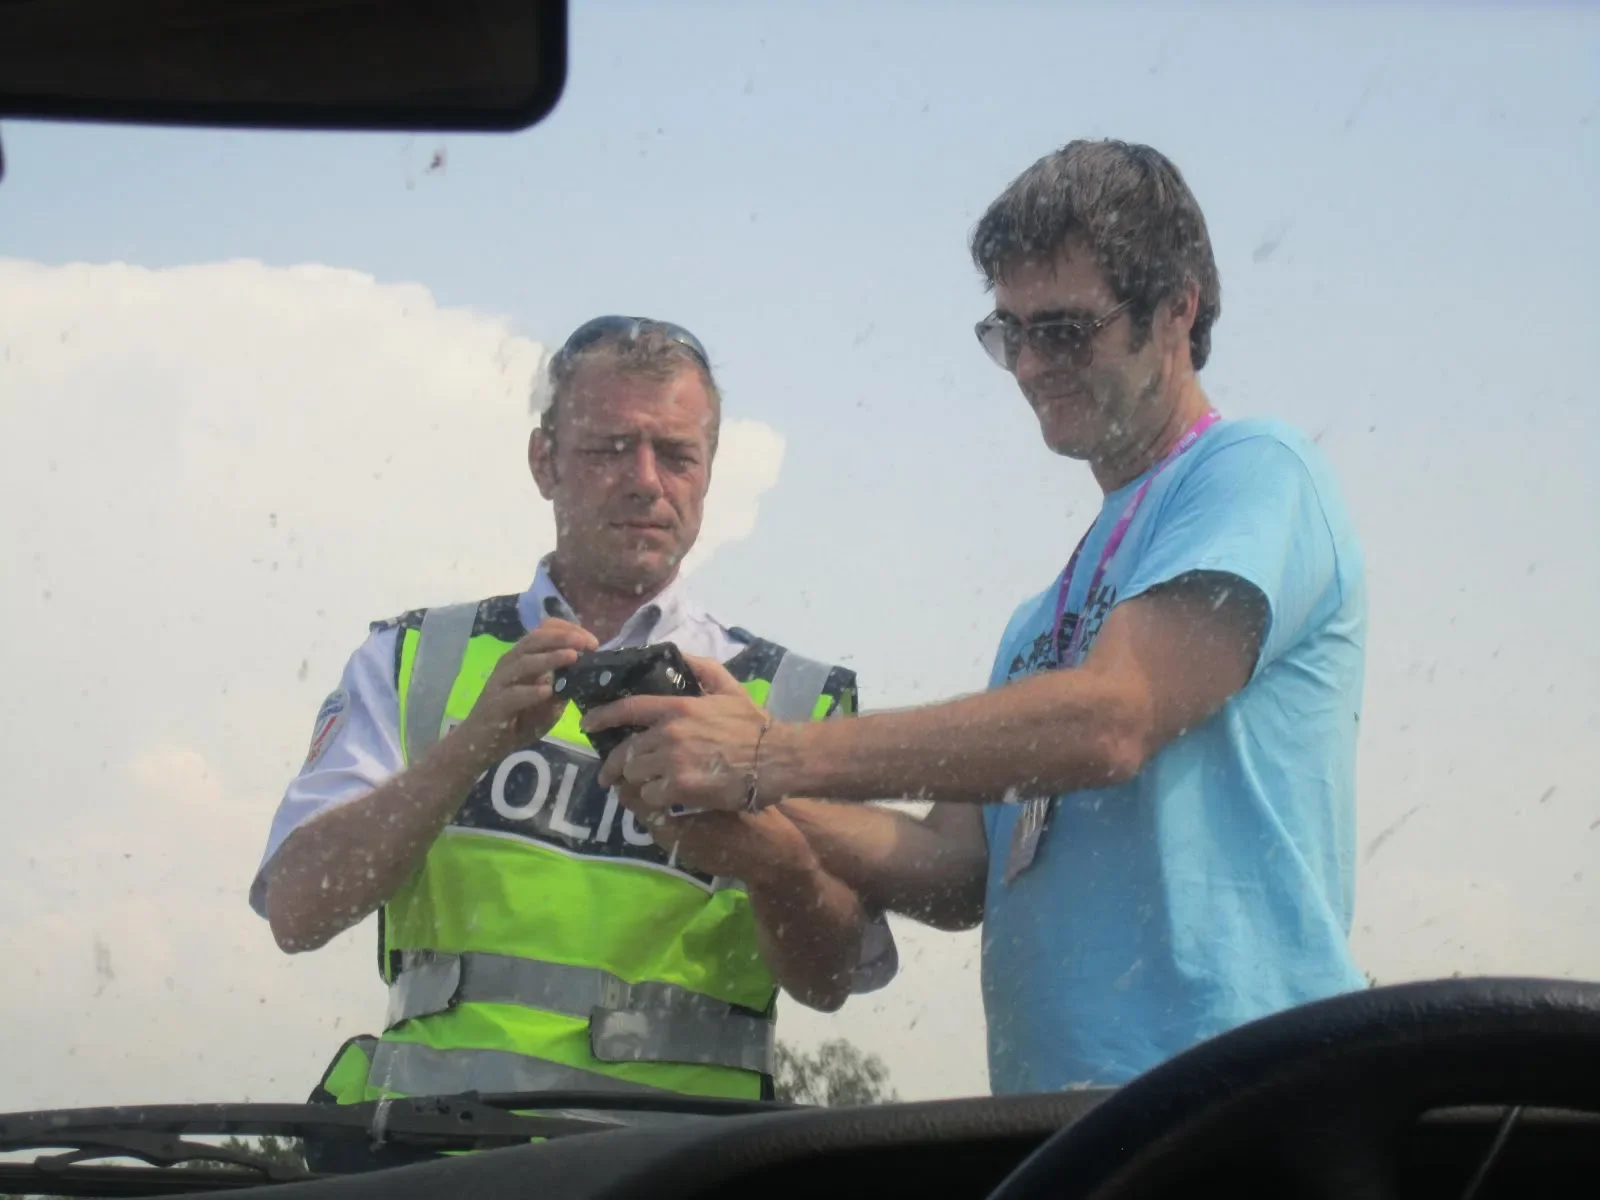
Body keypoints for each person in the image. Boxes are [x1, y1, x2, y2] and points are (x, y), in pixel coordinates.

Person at [587, 140, 1370, 1093]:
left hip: (1240, 1099)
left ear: (1178, 310)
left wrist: (768, 756)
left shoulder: (1254, 471)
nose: (1031, 365)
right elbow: (956, 870)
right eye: (1011, 332)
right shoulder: (1042, 617)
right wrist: (735, 789)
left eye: (1068, 331)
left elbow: (1111, 721)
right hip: (1073, 1117)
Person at [249, 315, 896, 1111]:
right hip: (444, 1161)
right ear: (542, 460)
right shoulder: (417, 658)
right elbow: (298, 910)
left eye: (678, 455)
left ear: (710, 471)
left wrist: (773, 858)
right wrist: (465, 751)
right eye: (609, 448)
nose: (646, 481)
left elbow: (827, 982)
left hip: (679, 1169)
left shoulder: (797, 704)